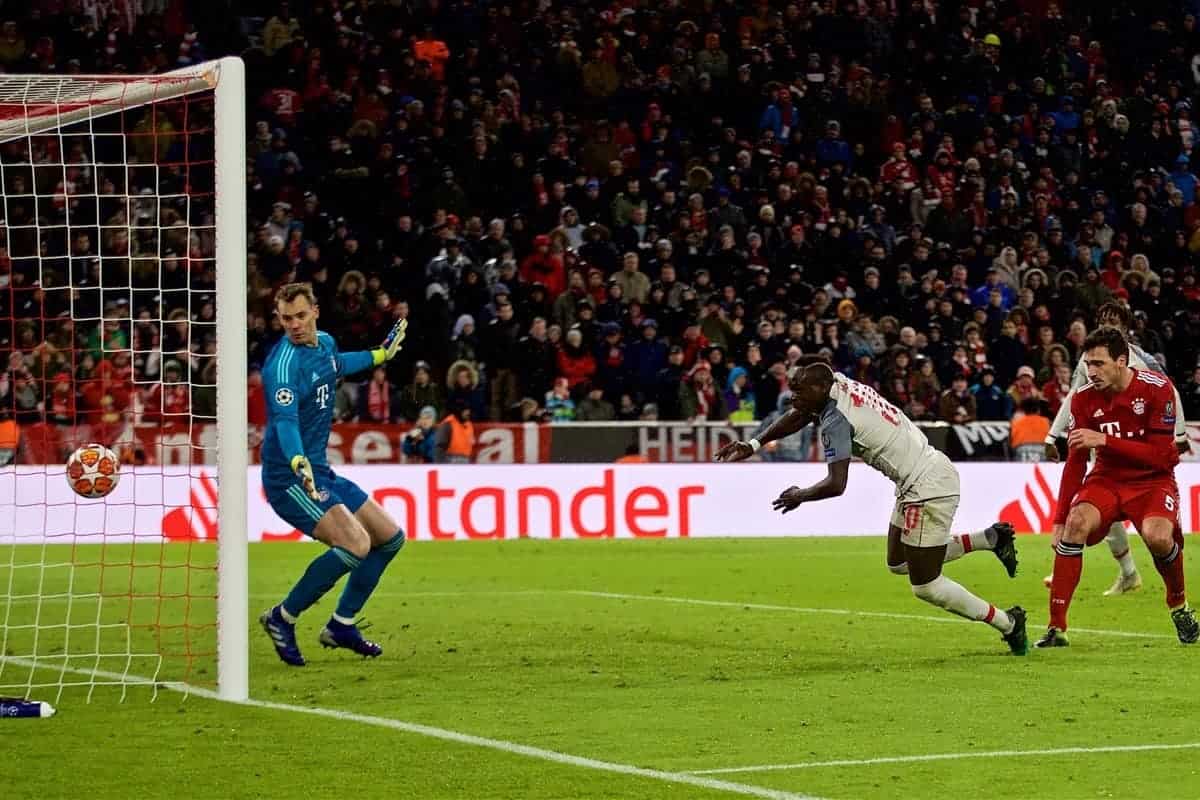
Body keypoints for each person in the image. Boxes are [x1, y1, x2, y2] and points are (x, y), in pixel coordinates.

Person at [715, 363, 1027, 655]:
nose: (794, 398)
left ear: (822, 387)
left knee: (926, 585)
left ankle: (1008, 622)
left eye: (800, 391)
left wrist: (800, 495)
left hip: (927, 489)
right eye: (792, 390)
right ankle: (990, 539)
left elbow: (836, 484)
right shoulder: (838, 384)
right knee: (898, 562)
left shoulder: (836, 419)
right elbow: (800, 413)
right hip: (921, 475)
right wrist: (754, 444)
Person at [259, 283, 410, 667]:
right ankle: (283, 617)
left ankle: (341, 625)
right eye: (285, 318)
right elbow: (284, 422)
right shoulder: (282, 366)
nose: (293, 324)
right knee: (356, 544)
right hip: (289, 478)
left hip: (320, 471)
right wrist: (297, 461)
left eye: (300, 315)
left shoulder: (323, 343)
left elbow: (341, 363)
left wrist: (381, 353)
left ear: (315, 311)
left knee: (390, 538)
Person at [1042, 327, 1197, 647]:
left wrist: (1105, 440)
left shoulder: (1158, 389)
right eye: (1088, 364)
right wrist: (1059, 518)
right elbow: (1075, 461)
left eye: (1099, 363)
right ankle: (1056, 628)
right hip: (1107, 479)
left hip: (1152, 481)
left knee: (1158, 536)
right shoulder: (1083, 398)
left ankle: (1179, 605)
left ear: (1122, 361)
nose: (1091, 371)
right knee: (1075, 525)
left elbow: (1159, 456)